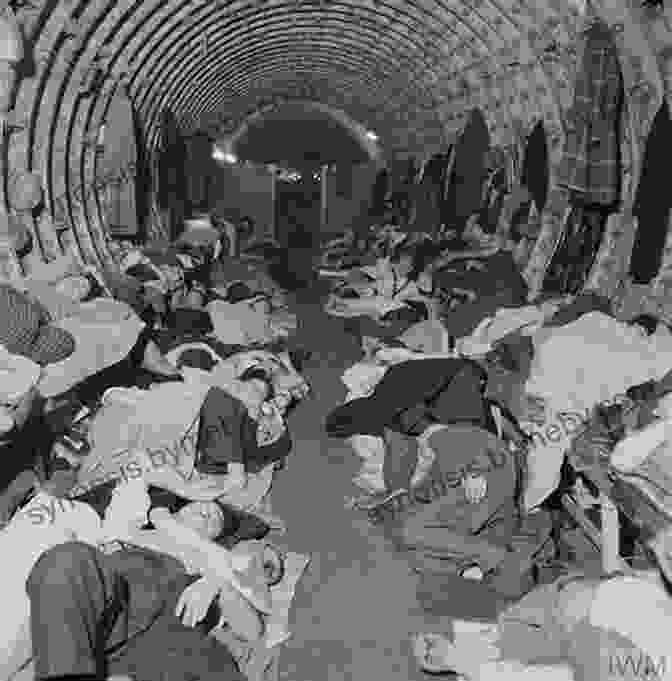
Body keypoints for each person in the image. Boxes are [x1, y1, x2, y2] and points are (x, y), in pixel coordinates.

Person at [23, 480, 277, 681]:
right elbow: (140, 471)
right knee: (65, 560)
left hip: (167, 635)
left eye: (216, 520)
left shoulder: (212, 564)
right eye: (201, 505)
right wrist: (181, 489)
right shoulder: (131, 525)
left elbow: (253, 632)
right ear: (180, 509)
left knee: (212, 660)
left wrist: (218, 585)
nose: (208, 511)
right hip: (115, 605)